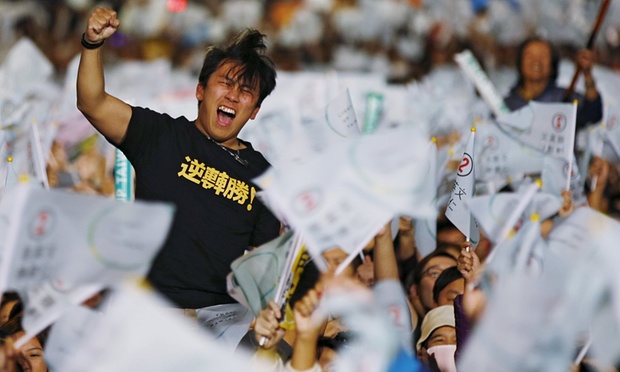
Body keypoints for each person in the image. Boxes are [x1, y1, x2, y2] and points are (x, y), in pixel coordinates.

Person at [76, 7, 281, 346]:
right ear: (200, 90)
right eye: (225, 83)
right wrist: (92, 44)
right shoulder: (159, 135)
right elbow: (93, 103)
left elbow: (268, 263)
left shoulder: (265, 177)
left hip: (218, 330)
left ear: (255, 110)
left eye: (245, 92)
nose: (232, 95)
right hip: (149, 315)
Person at [504, 37, 603, 129]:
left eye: (543, 56)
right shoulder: (507, 104)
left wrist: (587, 73)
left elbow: (593, 113)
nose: (536, 61)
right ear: (520, 63)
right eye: (530, 55)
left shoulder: (565, 97)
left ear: (552, 64)